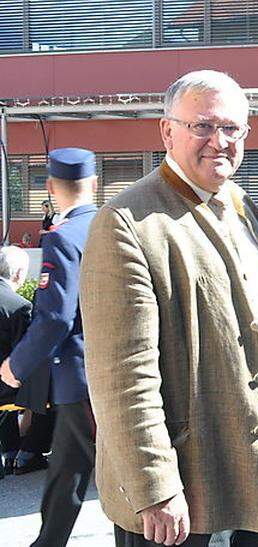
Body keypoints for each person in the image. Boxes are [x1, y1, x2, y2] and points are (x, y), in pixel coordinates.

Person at [81, 70, 258, 546]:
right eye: (202, 126)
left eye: (232, 129)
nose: (219, 141)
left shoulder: (241, 204)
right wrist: (155, 488)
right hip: (184, 487)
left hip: (251, 470)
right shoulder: (129, 222)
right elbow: (122, 376)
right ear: (167, 130)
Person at [0, 149, 98, 546]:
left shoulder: (62, 238)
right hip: (119, 369)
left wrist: (16, 366)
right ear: (94, 184)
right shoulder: (111, 225)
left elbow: (55, 316)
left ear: (51, 188)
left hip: (78, 374)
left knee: (69, 473)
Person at [0, 244, 54, 479]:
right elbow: (26, 358)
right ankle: (28, 451)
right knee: (48, 383)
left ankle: (12, 449)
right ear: (20, 274)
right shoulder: (20, 306)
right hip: (7, 386)